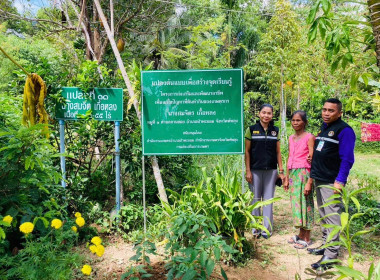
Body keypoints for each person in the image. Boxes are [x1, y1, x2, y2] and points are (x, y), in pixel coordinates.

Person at [307, 98, 356, 270]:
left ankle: (331, 255)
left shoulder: (345, 131)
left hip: (331, 181)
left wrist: (340, 181)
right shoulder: (324, 128)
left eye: (331, 111)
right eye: (324, 109)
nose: (326, 113)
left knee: (333, 215)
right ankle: (326, 245)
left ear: (339, 113)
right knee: (324, 214)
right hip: (320, 178)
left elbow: (348, 159)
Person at [245, 104, 285, 239]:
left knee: (268, 200)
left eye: (269, 113)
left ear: (272, 115)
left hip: (271, 171)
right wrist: (248, 170)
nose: (266, 115)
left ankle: (266, 229)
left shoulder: (275, 131)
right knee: (255, 200)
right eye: (264, 112)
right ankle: (255, 229)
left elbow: (278, 152)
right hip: (255, 170)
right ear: (259, 114)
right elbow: (247, 151)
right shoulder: (251, 130)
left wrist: (281, 170)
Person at [284, 110, 315, 249]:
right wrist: (286, 177)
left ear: (305, 122)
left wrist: (309, 182)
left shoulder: (309, 137)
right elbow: (290, 156)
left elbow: (313, 160)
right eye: (293, 120)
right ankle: (301, 234)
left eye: (298, 120)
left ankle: (307, 237)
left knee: (306, 203)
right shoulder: (291, 138)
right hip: (294, 174)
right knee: (297, 204)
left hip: (304, 173)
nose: (295, 123)